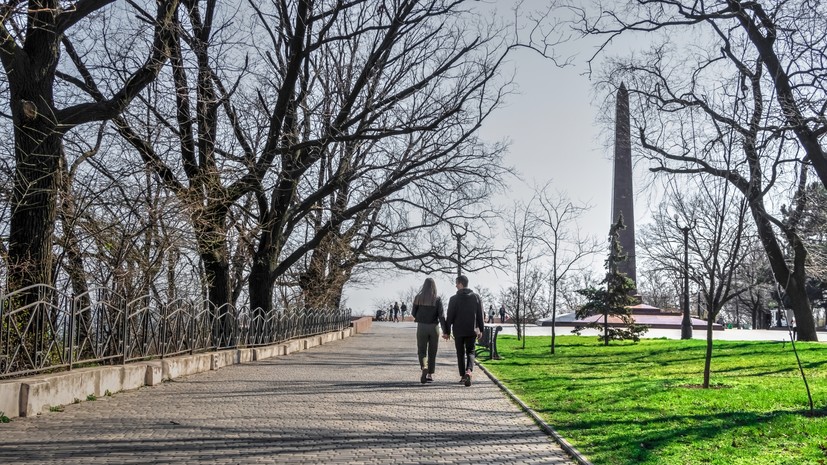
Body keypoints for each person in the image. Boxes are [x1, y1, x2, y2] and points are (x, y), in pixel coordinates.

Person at [443, 275, 484, 387]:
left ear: (461, 283)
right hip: (471, 330)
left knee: (460, 353)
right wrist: (481, 329)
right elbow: (480, 315)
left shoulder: (453, 299)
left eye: (456, 283)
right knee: (471, 351)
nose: (456, 285)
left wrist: (446, 331)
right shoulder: (476, 297)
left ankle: (462, 376)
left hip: (458, 330)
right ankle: (469, 371)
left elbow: (450, 316)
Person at [411, 278, 446, 384]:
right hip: (434, 327)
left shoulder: (418, 298)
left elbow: (413, 313)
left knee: (421, 350)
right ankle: (430, 374)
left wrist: (420, 316)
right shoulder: (437, 299)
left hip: (422, 327)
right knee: (432, 351)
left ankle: (424, 367)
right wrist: (445, 331)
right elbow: (441, 316)